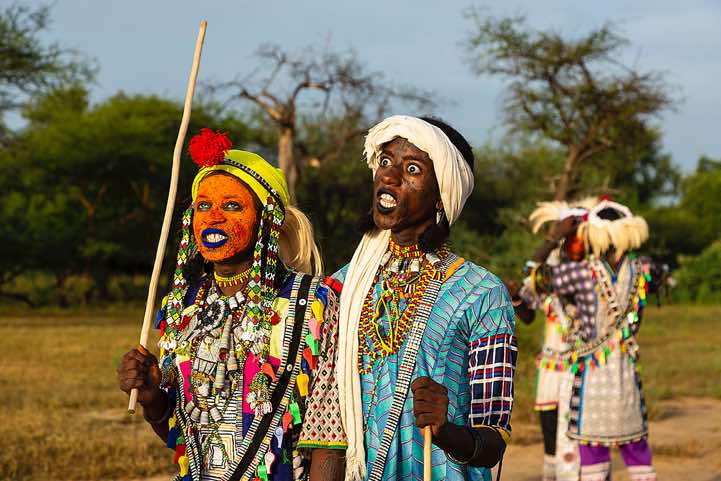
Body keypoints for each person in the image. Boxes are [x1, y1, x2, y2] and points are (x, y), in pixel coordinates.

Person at [298, 115, 518, 481]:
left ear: (441, 196)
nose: (389, 176)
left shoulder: (482, 294)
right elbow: (323, 421)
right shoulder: (340, 288)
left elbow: (493, 441)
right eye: (385, 162)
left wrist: (446, 430)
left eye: (412, 168)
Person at [117, 128, 339, 481]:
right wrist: (152, 398)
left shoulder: (312, 302)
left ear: (268, 219)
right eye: (204, 205)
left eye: (232, 205)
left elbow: (330, 436)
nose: (213, 216)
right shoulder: (181, 308)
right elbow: (183, 439)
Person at [520, 198, 656, 481]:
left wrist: (551, 239)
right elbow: (636, 321)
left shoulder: (581, 273)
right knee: (638, 452)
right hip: (626, 374)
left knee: (592, 455)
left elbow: (533, 276)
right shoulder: (642, 270)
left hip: (590, 378)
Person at [510, 198, 599, 481]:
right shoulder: (552, 266)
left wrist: (550, 238)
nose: (573, 243)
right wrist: (515, 299)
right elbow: (528, 313)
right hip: (551, 365)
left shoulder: (591, 271)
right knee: (550, 434)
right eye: (568, 238)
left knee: (579, 436)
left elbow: (530, 274)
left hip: (584, 365)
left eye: (576, 236)